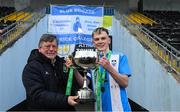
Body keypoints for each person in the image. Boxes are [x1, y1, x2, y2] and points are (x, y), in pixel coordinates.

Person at [22, 34, 84, 111]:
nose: (51, 49)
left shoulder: (64, 64)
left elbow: (77, 85)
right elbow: (37, 94)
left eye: (54, 46)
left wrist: (74, 69)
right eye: (47, 46)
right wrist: (65, 100)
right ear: (40, 49)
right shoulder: (32, 67)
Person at [91, 27, 132, 111]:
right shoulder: (92, 60)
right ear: (93, 42)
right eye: (97, 39)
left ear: (109, 40)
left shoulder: (120, 56)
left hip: (119, 109)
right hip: (100, 109)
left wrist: (109, 68)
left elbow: (125, 83)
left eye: (103, 38)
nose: (100, 41)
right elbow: (85, 82)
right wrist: (75, 69)